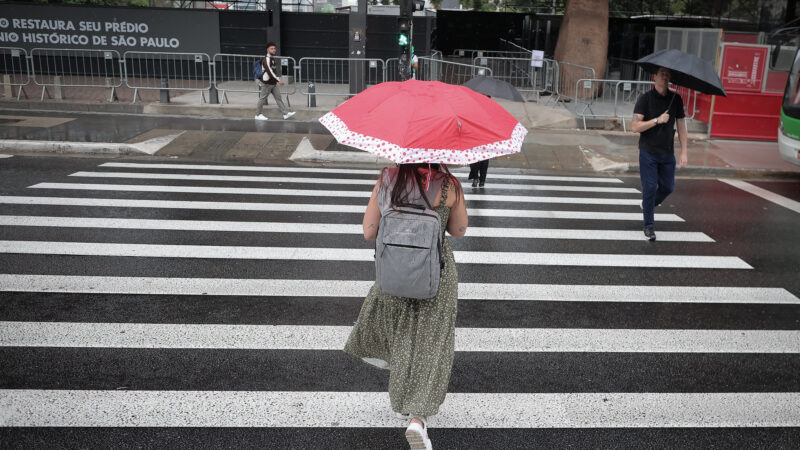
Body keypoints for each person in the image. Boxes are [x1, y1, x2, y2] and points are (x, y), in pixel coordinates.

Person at [345, 163, 468, 450]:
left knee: (401, 335)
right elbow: (459, 230)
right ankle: (418, 418)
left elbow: (369, 231)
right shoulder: (449, 185)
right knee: (430, 342)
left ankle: (403, 400)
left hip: (395, 270)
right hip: (435, 273)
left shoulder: (387, 180)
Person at [631, 67, 688, 241]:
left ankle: (647, 204)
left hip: (667, 153)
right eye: (662, 74)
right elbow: (635, 127)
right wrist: (657, 120)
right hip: (648, 152)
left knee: (668, 187)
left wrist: (684, 151)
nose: (665, 77)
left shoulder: (676, 99)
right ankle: (649, 226)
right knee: (649, 188)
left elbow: (681, 125)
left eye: (667, 74)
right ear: (654, 77)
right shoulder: (645, 99)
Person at [255, 42, 295, 121]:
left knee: (278, 98)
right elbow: (269, 71)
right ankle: (258, 115)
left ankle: (285, 114)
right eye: (272, 49)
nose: (274, 50)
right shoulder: (266, 59)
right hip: (267, 83)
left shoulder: (272, 58)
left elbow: (273, 71)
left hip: (273, 83)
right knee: (262, 99)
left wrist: (276, 80)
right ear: (268, 50)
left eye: (274, 48)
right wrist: (278, 80)